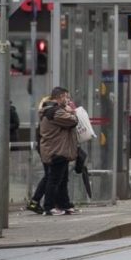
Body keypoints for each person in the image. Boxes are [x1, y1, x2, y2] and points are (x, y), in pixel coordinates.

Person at [39, 87, 78, 216]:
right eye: (66, 97)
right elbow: (73, 121)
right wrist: (72, 112)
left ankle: (64, 205)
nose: (68, 100)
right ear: (60, 97)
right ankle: (49, 207)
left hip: (59, 150)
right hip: (56, 151)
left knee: (62, 180)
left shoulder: (53, 111)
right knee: (54, 180)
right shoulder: (55, 112)